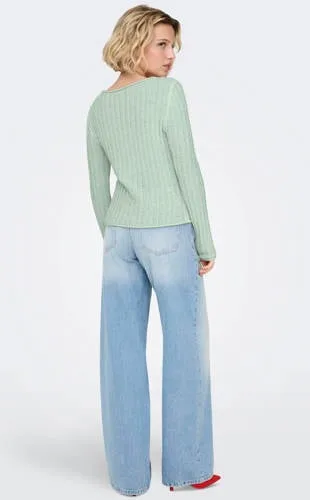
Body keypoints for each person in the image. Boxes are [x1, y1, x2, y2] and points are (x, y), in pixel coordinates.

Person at [85, 5, 221, 497]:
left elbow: (97, 185)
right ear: (134, 42)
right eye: (161, 44)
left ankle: (127, 477)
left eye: (173, 46)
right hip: (168, 233)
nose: (171, 56)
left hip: (119, 236)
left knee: (119, 356)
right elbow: (188, 169)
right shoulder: (167, 94)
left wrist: (115, 235)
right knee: (186, 350)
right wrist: (204, 240)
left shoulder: (99, 107)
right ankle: (188, 470)